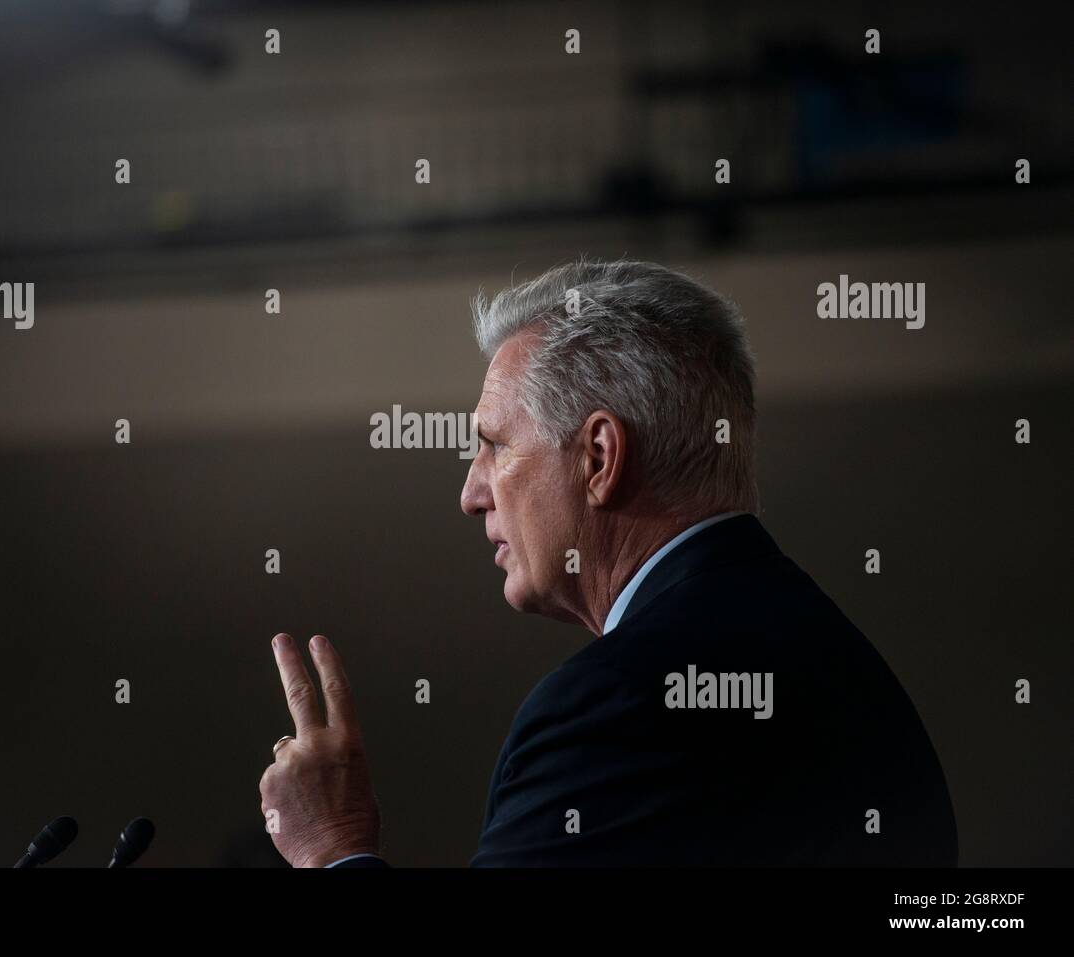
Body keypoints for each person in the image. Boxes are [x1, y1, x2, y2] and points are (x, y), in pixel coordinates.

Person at [258, 258, 958, 867]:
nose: (471, 493)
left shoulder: (620, 706)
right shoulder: (845, 665)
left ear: (597, 457)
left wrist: (333, 846)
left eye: (495, 444)